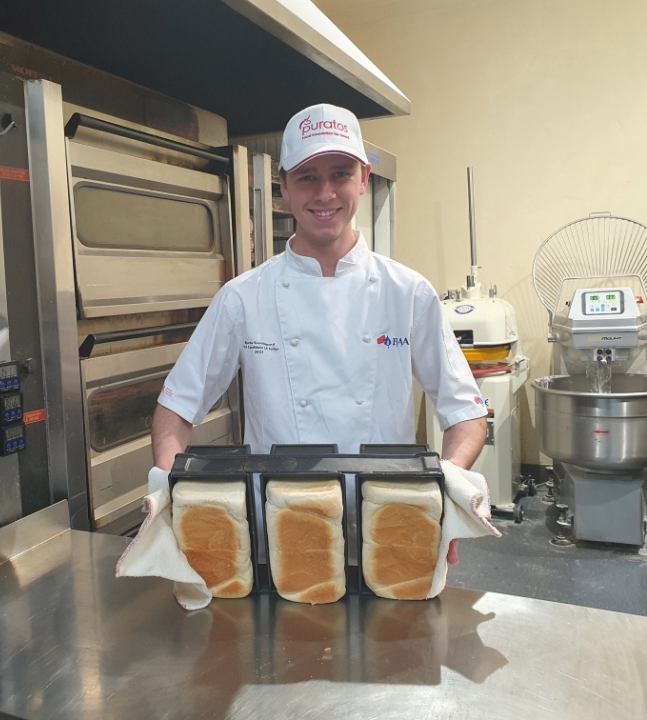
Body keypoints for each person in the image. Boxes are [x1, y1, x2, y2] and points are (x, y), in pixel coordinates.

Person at [149, 103, 488, 564]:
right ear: (284, 187)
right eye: (308, 177)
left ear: (364, 179)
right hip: (278, 526)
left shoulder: (407, 292)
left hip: (390, 522)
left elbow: (466, 412)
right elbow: (175, 409)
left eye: (340, 174)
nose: (325, 193)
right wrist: (176, 506)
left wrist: (447, 492)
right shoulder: (244, 297)